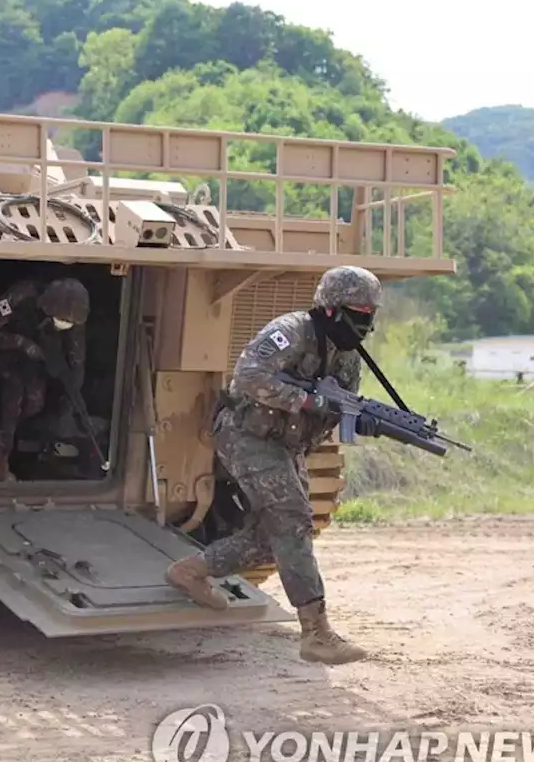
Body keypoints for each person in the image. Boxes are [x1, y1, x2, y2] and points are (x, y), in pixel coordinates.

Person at [164, 265, 382, 665]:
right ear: (331, 309)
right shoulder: (293, 331)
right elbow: (249, 376)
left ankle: (192, 570)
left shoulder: (348, 360)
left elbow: (335, 408)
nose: (364, 324)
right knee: (293, 519)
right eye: (357, 313)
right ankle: (316, 632)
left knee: (274, 538)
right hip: (246, 434)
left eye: (370, 315)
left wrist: (360, 419)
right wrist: (310, 401)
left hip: (285, 445)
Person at [0, 276, 89, 482]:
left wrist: (73, 391)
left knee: (35, 402)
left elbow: (76, 359)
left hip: (32, 366)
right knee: (14, 392)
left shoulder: (73, 318)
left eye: (69, 322)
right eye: (61, 319)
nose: (64, 324)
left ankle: (27, 445)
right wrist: (23, 344)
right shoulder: (20, 296)